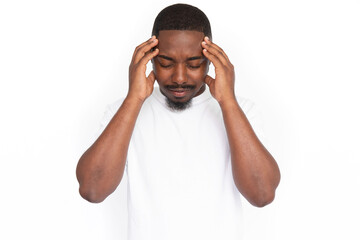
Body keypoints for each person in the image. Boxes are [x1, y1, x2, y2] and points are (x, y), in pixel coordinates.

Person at [76, 3, 280, 240]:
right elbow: (92, 189)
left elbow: (262, 194)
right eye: (166, 63)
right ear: (150, 59)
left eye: (193, 64)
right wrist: (134, 99)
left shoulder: (240, 111)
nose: (180, 77)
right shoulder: (125, 113)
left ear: (210, 61)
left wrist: (228, 103)